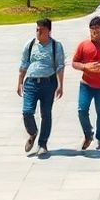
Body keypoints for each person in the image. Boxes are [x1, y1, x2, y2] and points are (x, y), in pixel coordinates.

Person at [16, 17, 65, 156]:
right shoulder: (30, 44)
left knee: (46, 114)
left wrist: (60, 85)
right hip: (31, 83)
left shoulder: (56, 46)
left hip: (48, 83)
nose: (38, 32)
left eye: (41, 30)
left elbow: (60, 66)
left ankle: (43, 143)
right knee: (27, 112)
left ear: (48, 31)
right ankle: (33, 132)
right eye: (36, 29)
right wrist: (19, 81)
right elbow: (24, 64)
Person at [71, 15, 100, 151]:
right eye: (92, 29)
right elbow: (74, 63)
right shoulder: (83, 45)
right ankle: (88, 134)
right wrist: (85, 66)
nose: (94, 32)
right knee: (82, 110)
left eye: (97, 28)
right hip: (86, 84)